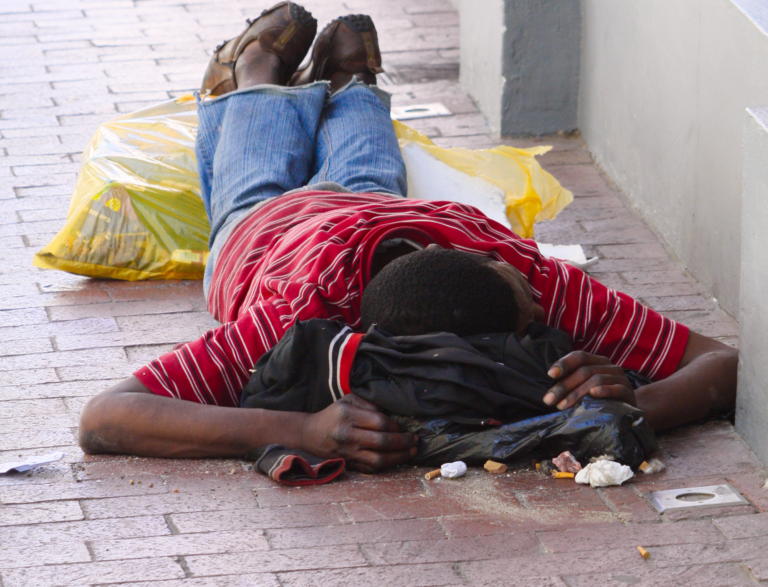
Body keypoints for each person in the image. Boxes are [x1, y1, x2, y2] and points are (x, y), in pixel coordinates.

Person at [78, 2, 737, 472]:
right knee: (255, 179)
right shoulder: (296, 314)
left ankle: (349, 82)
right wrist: (303, 427)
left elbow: (726, 363)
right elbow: (106, 417)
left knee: (367, 169)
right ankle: (254, 72)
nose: (542, 316)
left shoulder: (527, 275)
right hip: (268, 236)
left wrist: (630, 395)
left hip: (378, 208)